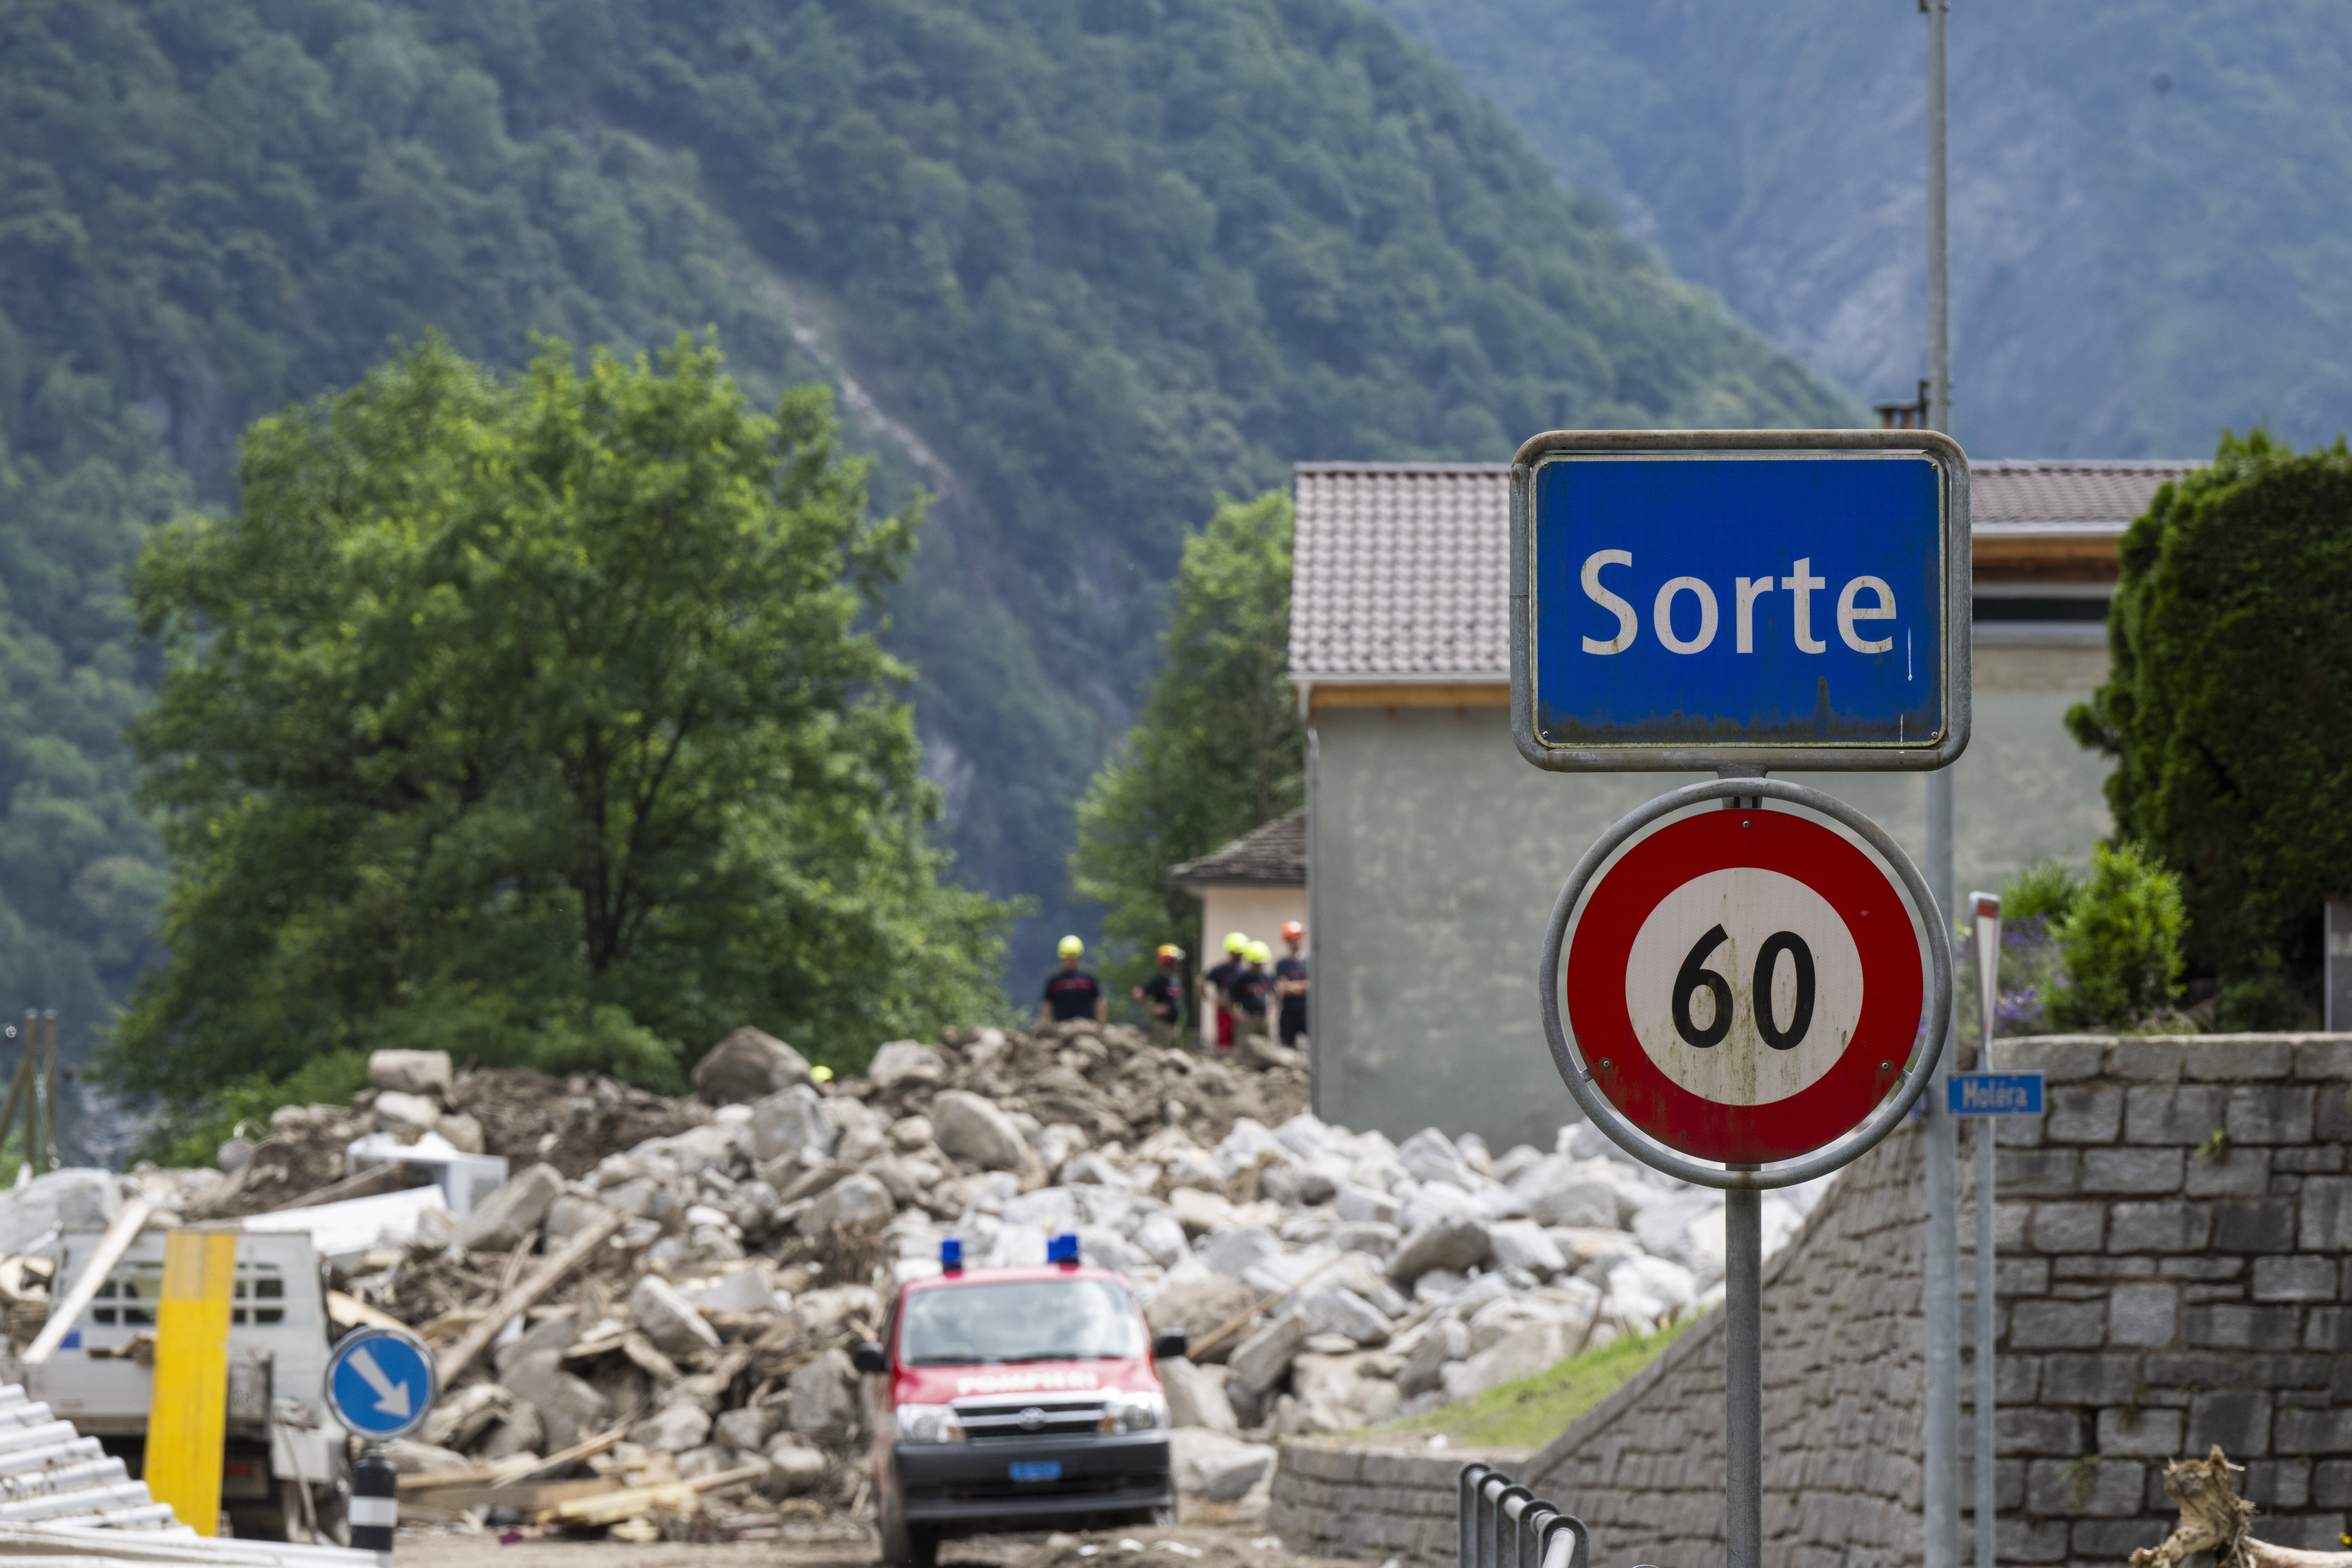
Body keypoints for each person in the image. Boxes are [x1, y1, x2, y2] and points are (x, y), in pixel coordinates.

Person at [1040, 934, 1107, 1025]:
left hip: (1086, 1028)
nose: (1070, 960)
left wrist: (1100, 1025)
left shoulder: (1088, 980)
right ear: (1061, 958)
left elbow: (1099, 1003)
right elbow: (1048, 1006)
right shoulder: (1054, 982)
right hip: (1061, 1028)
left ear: (1079, 957)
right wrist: (1047, 1026)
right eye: (1067, 957)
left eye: (1073, 957)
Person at [1201, 931, 1247, 1052]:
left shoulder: (1243, 972)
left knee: (1241, 1043)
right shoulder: (1220, 970)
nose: (1241, 956)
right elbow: (1200, 982)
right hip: (1224, 1013)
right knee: (1224, 1045)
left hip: (1239, 1011)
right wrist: (1211, 1000)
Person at [1133, 944, 1186, 1050]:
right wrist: (1152, 1008)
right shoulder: (1159, 980)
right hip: (1162, 1026)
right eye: (1176, 961)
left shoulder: (1173, 980)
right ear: (1169, 962)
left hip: (1174, 1026)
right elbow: (1138, 994)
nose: (1178, 964)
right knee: (1161, 1054)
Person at [1274, 920, 1310, 1047]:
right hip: (1289, 1013)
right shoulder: (1282, 964)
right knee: (1287, 1047)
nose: (1298, 942)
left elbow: (1313, 987)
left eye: (1300, 938)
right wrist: (1304, 986)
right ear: (1288, 941)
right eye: (1294, 939)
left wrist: (1293, 987)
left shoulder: (1309, 962)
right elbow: (1283, 989)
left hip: (1308, 1011)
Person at [1232, 940, 1274, 1044]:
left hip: (1263, 1018)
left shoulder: (1267, 977)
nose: (1258, 967)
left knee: (1266, 1048)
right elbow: (1230, 997)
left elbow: (1276, 993)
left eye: (1261, 964)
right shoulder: (1241, 978)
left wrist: (1272, 1008)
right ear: (1250, 962)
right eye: (1256, 964)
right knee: (1244, 1047)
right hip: (1248, 1019)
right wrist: (1238, 1012)